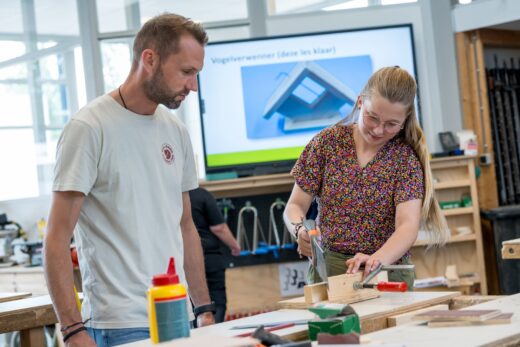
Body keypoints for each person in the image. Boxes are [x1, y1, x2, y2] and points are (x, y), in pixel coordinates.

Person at [44, 13, 215, 347]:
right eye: (186, 72)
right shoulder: (89, 128)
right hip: (117, 322)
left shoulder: (176, 132)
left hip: (176, 315)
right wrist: (72, 329)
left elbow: (185, 227)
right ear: (149, 59)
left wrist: (203, 307)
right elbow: (56, 236)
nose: (193, 86)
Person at [283, 66, 449, 288]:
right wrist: (300, 230)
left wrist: (376, 260)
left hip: (388, 273)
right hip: (331, 273)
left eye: (391, 124)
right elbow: (294, 205)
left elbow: (408, 226)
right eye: (372, 118)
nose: (379, 130)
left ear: (405, 118)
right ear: (360, 102)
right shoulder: (327, 143)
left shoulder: (405, 159)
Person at [189, 187, 241, 323]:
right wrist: (234, 245)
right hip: (209, 257)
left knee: (192, 305)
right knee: (216, 302)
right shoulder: (202, 194)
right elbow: (219, 228)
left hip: (185, 261)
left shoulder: (170, 195)